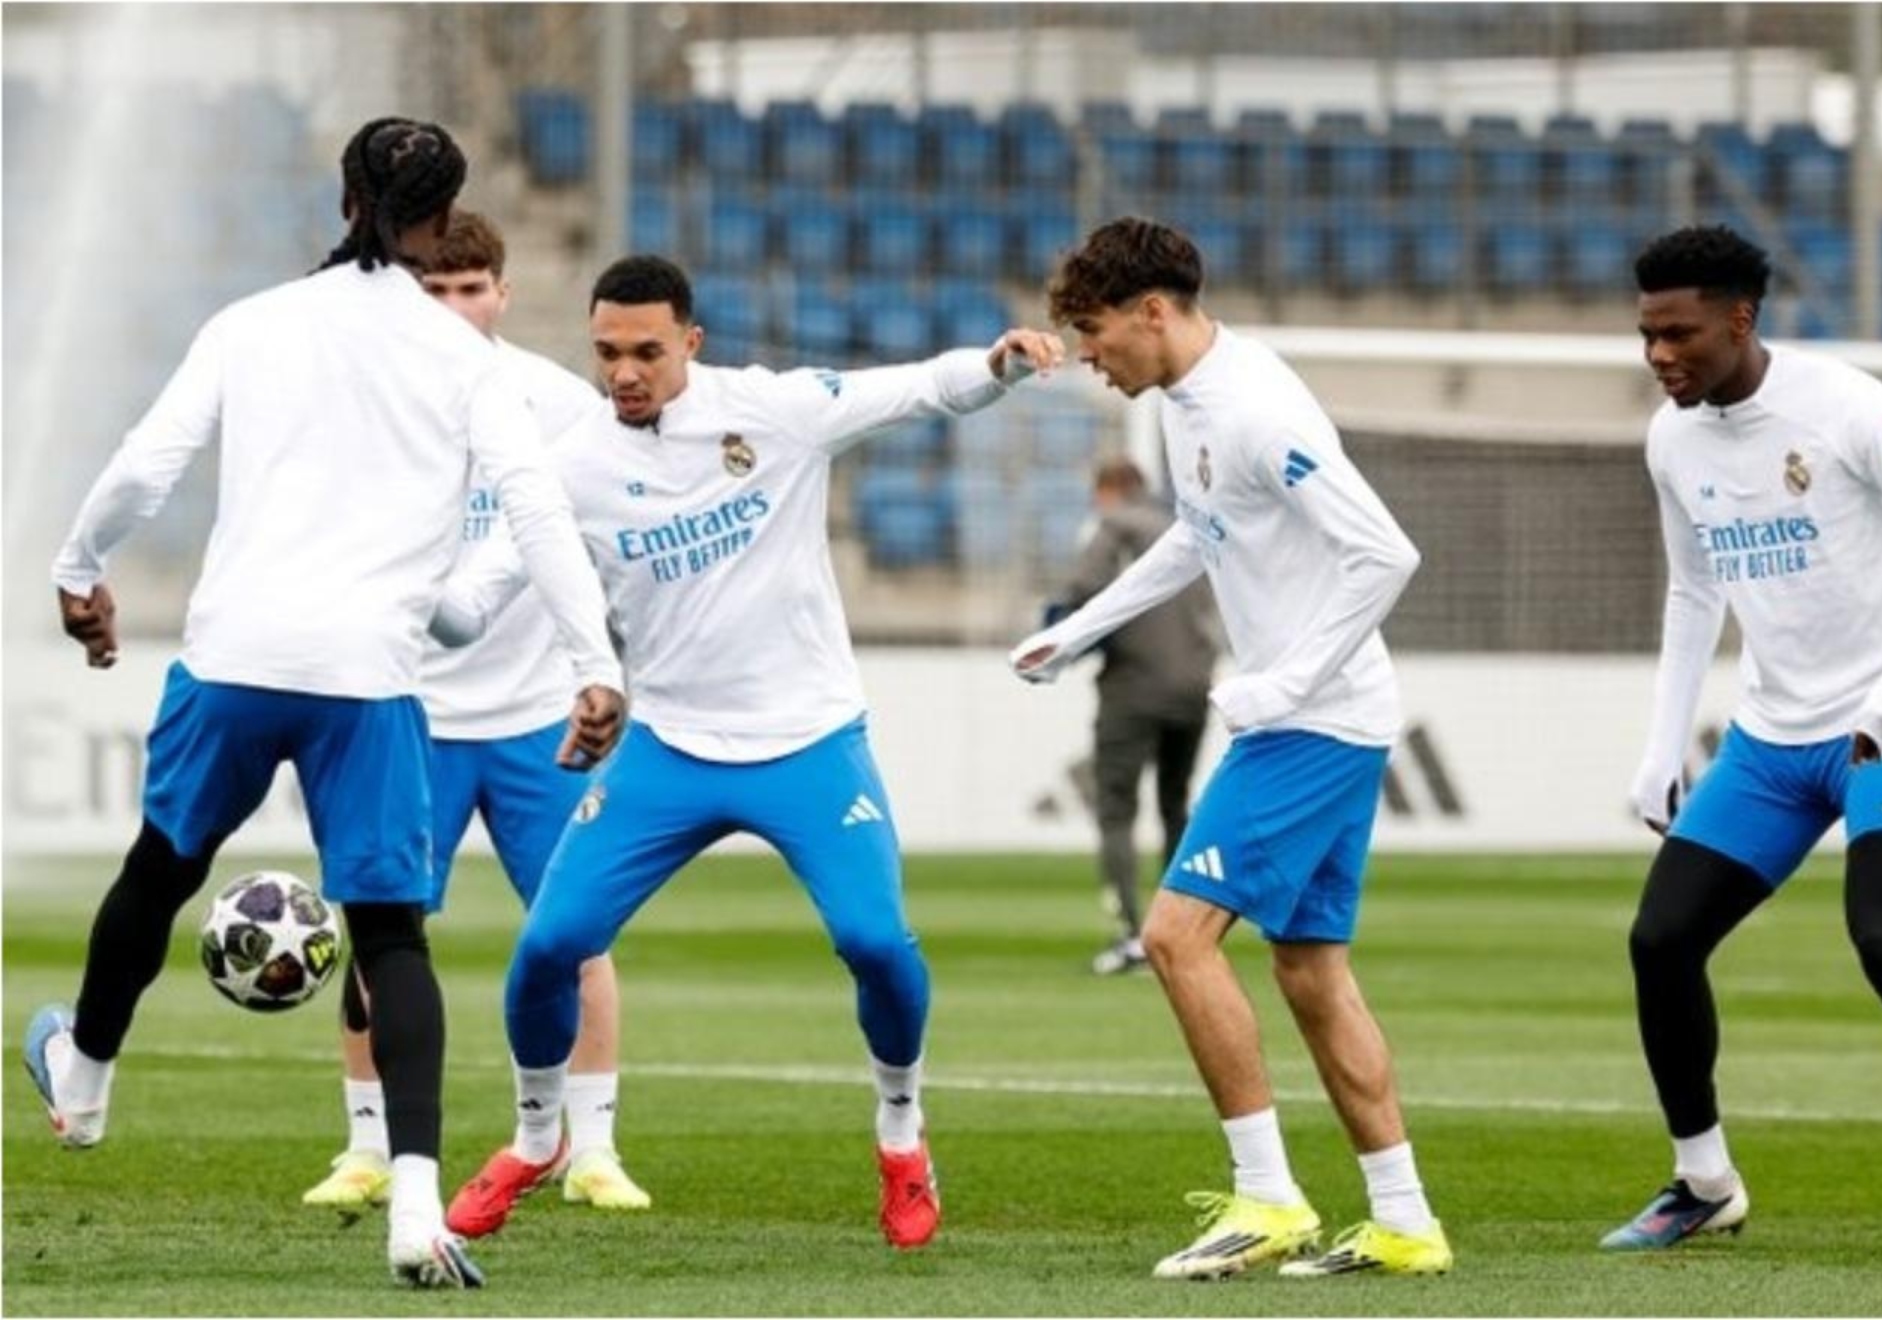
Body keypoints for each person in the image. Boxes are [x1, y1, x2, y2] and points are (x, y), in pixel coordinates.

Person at [22, 118, 626, 1290]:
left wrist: (76, 567)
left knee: (160, 866)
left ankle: (86, 1083)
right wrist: (593, 661)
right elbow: (540, 512)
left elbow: (151, 461)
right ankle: (415, 1207)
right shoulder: (465, 361)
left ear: (344, 192)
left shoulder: (253, 323)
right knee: (391, 935)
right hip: (369, 677)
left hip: (237, 654)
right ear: (444, 220)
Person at [427, 255, 1064, 1250]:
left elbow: (919, 389)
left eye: (645, 351)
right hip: (669, 749)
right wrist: (399, 592)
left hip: (808, 740)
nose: (624, 373)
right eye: (605, 354)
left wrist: (1001, 364)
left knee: (876, 945)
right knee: (549, 947)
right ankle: (537, 1137)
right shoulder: (569, 467)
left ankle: (901, 1130)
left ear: (692, 342)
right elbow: (473, 602)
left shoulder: (774, 411)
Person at [1010, 217, 1451, 1279]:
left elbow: (1385, 553)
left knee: (1175, 936)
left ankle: (1268, 1200)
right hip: (1334, 717)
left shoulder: (1253, 409)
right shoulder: (1186, 404)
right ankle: (1403, 1219)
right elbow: (1196, 535)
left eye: (1097, 333)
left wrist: (1289, 681)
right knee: (1309, 970)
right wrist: (1080, 629)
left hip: (1309, 721)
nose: (1088, 357)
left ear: (1153, 312)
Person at [1605, 225, 1882, 1260]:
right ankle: (1704, 1181)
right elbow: (1693, 589)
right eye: (1646, 335)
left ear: (1740, 318)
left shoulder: (1845, 406)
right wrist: (1662, 743)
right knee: (1661, 940)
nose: (1658, 356)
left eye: (1677, 333)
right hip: (1770, 744)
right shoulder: (1671, 441)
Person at [300, 210, 649, 1216]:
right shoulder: (367, 408)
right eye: (434, 290)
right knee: (380, 930)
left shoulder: (556, 406)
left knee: (577, 930)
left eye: (471, 289)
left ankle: (593, 1147)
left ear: (502, 292)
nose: (454, 307)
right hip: (407, 716)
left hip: (540, 716)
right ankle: (367, 1147)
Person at [1046, 457, 1216, 975]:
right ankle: (1182, 934)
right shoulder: (1190, 529)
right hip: (1194, 685)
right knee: (1175, 806)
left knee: (1117, 809)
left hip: (1133, 687)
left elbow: (1081, 590)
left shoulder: (1115, 527)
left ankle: (1130, 938)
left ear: (1109, 490)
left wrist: (1054, 632)